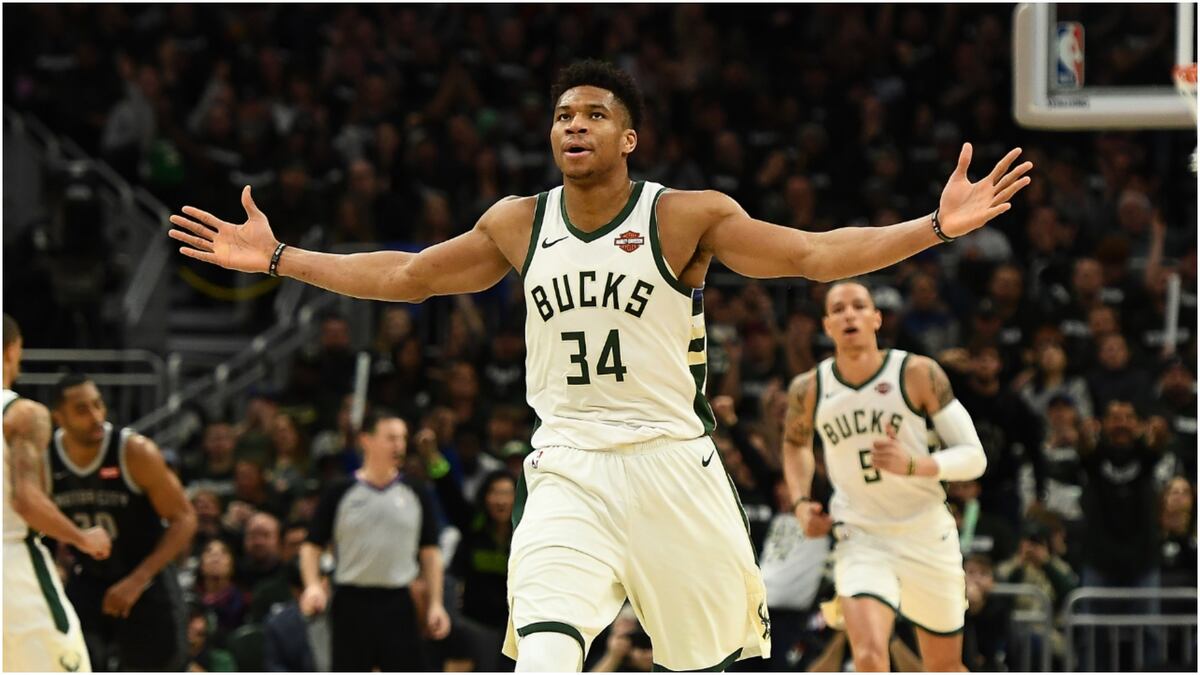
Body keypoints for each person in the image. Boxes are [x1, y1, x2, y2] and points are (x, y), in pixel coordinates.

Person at [168, 60, 1031, 671]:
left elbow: (810, 254)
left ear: (629, 137)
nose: (572, 126)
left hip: (671, 464)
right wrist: (281, 256)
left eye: (591, 115)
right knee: (543, 645)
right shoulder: (517, 221)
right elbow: (409, 275)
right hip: (568, 464)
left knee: (704, 660)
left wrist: (936, 227)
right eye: (561, 116)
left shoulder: (686, 215)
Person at [782, 282, 987, 671]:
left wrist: (915, 465)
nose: (849, 315)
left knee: (944, 667)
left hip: (926, 531)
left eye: (859, 306)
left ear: (876, 318)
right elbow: (795, 445)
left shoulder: (918, 373)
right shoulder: (809, 388)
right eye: (838, 309)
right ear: (827, 326)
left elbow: (974, 458)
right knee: (870, 656)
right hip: (861, 535)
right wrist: (800, 502)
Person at [48, 373, 197, 671]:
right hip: (88, 578)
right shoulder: (46, 458)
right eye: (82, 410)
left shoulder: (135, 452)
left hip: (146, 577)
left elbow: (184, 518)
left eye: (98, 405)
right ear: (59, 417)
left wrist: (137, 581)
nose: (96, 417)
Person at [299, 409, 451, 671]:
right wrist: (312, 585)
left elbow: (430, 553)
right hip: (350, 601)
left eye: (402, 438)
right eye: (391, 438)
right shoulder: (340, 491)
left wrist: (436, 604)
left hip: (400, 601)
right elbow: (311, 545)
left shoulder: (417, 491)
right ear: (366, 440)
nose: (399, 445)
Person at [3, 315, 110, 672]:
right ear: (13, 350)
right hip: (11, 569)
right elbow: (26, 500)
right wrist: (81, 537)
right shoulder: (23, 414)